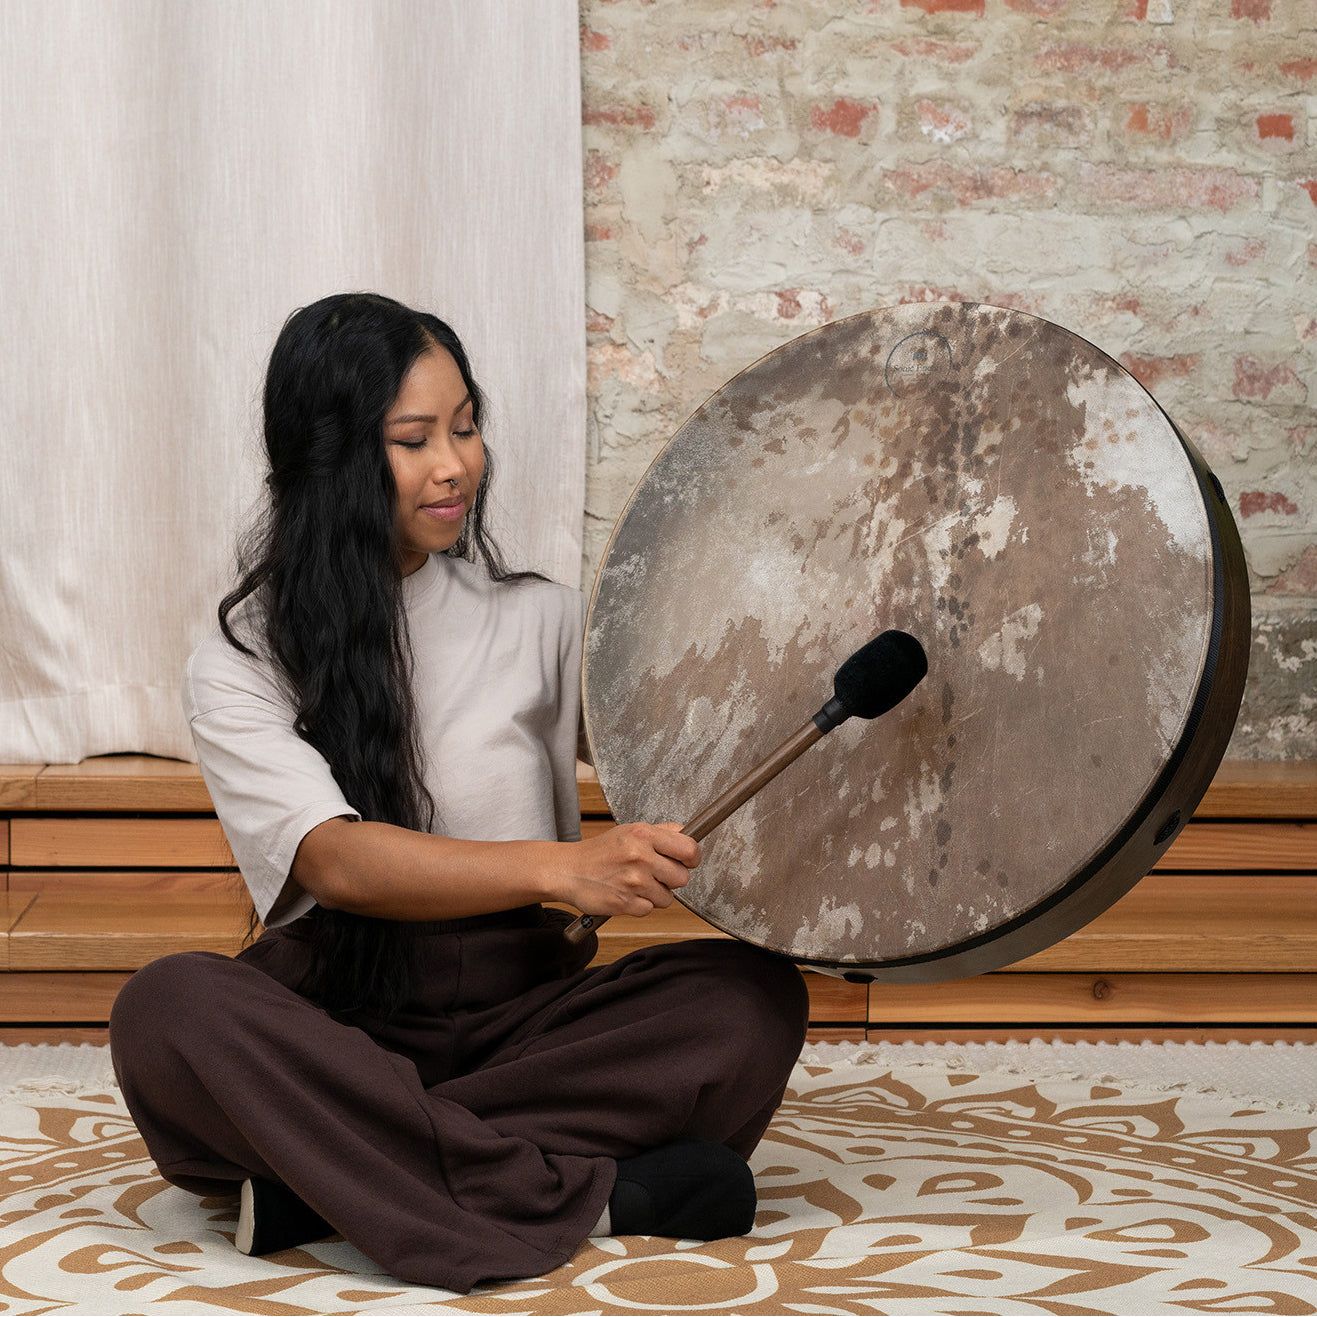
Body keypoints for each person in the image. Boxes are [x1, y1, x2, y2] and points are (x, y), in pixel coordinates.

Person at [107, 291, 811, 1296]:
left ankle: (329, 1184)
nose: (454, 465)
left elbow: (692, 746)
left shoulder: (544, 621)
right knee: (168, 1009)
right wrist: (564, 867)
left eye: (466, 427)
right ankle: (599, 1198)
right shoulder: (242, 654)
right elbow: (333, 860)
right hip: (340, 1028)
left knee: (749, 1000)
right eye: (413, 440)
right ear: (328, 457)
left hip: (523, 1021)